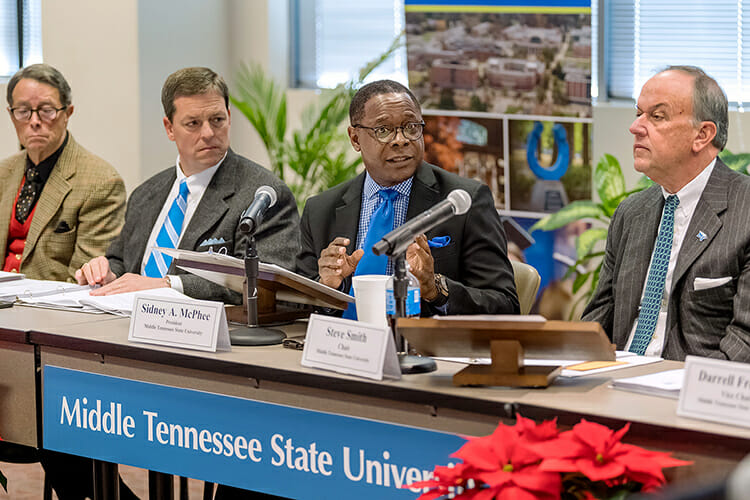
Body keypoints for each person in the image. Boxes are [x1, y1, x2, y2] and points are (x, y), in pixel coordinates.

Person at [75, 67, 299, 302]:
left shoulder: (262, 195)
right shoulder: (145, 194)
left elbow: (262, 283)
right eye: (193, 123)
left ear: (229, 118)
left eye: (217, 120)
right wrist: (107, 274)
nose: (208, 133)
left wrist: (167, 285)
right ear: (169, 128)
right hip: (126, 323)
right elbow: (122, 261)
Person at [296, 79, 519, 316]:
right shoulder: (320, 210)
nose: (401, 139)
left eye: (411, 127)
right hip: (344, 346)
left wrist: (435, 290)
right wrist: (328, 286)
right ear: (355, 139)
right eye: (383, 130)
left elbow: (505, 305)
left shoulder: (464, 201)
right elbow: (294, 305)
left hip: (426, 348)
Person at [583, 65, 750, 362]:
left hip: (694, 390)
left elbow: (745, 339)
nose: (636, 128)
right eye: (638, 114)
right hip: (618, 381)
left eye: (657, 117)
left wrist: (696, 393)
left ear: (702, 135)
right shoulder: (631, 213)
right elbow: (598, 321)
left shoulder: (744, 210)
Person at [0, 63, 125, 282]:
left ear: (68, 113)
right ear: (11, 115)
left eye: (47, 111)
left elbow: (84, 280)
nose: (35, 122)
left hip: (49, 308)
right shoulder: (3, 173)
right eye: (23, 112)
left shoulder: (101, 182)